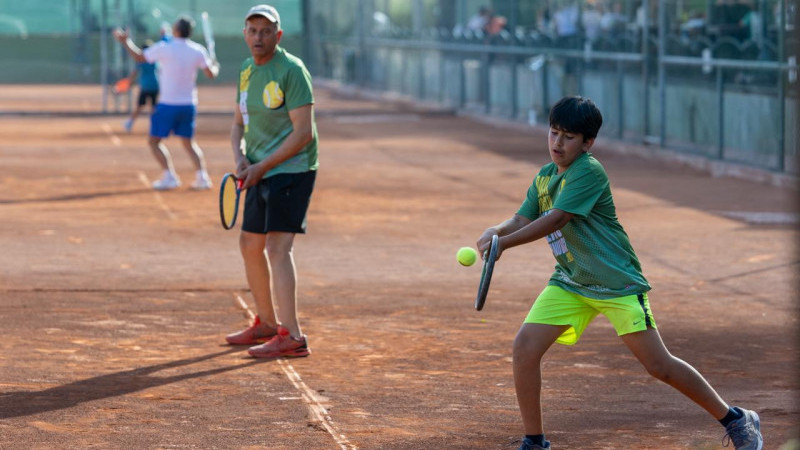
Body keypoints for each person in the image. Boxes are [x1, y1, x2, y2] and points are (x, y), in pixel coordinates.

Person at [475, 96, 763, 450]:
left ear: (587, 143)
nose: (557, 143)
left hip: (616, 284)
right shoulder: (545, 177)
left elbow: (557, 218)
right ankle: (535, 441)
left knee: (659, 366)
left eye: (568, 137)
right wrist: (496, 231)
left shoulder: (588, 171)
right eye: (553, 133)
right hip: (571, 281)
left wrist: (505, 245)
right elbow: (522, 217)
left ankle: (736, 418)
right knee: (524, 348)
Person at [224, 4, 319, 359]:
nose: (259, 37)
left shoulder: (292, 70)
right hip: (258, 170)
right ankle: (265, 322)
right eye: (253, 30)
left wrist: (261, 166)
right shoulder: (246, 71)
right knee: (250, 244)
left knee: (277, 248)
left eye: (266, 31)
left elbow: (303, 134)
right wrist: (240, 158)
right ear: (244, 35)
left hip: (292, 170)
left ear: (278, 35)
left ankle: (291, 335)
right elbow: (237, 123)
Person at [113, 16, 219, 190]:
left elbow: (139, 57)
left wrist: (126, 42)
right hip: (188, 105)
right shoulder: (198, 50)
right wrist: (215, 66)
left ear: (176, 31)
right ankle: (202, 177)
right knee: (189, 143)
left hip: (168, 104)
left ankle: (169, 176)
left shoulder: (165, 48)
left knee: (154, 142)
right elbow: (211, 74)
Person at [122, 40, 159, 133]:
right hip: (155, 85)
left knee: (140, 106)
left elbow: (134, 73)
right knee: (154, 107)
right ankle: (155, 126)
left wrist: (129, 82)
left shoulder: (141, 60)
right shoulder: (155, 60)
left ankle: (129, 123)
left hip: (146, 86)